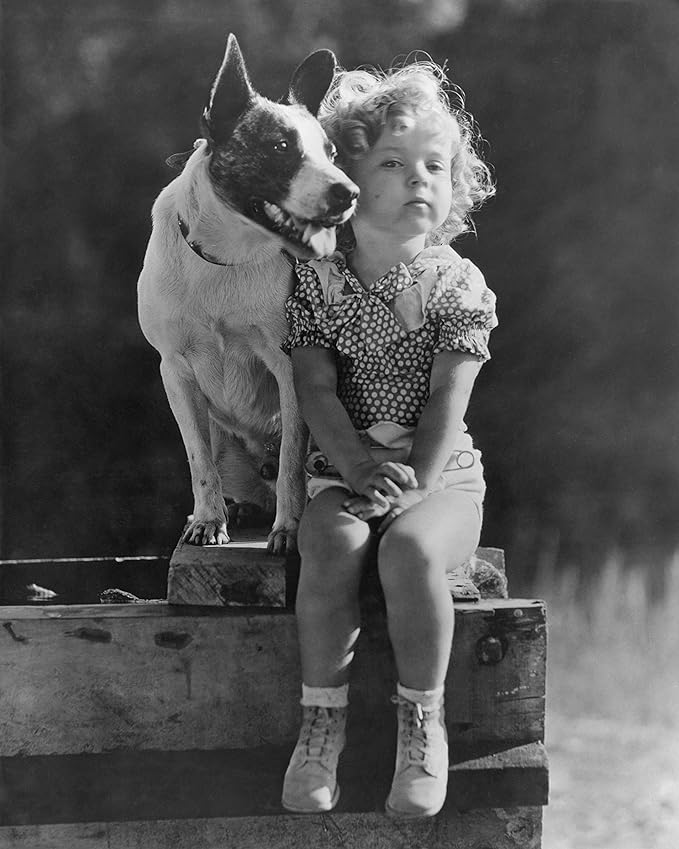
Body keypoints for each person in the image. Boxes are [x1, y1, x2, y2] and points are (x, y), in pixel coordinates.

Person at [280, 58, 497, 819]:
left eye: (435, 166)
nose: (419, 180)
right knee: (331, 543)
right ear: (347, 177)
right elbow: (312, 388)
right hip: (343, 466)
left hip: (441, 476)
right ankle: (320, 724)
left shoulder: (455, 283)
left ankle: (421, 724)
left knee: (407, 549)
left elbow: (446, 394)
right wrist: (356, 468)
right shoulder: (318, 277)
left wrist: (414, 480)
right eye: (394, 164)